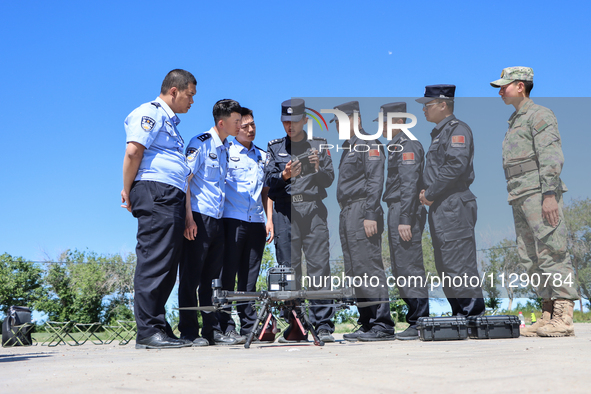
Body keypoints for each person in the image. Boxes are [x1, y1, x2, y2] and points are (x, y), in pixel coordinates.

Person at [491, 67, 578, 337]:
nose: (500, 90)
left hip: (540, 194)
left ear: (520, 86)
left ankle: (564, 317)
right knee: (530, 258)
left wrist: (550, 194)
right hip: (519, 194)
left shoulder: (539, 114)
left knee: (552, 251)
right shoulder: (515, 120)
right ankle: (548, 313)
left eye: (504, 85)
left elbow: (550, 155)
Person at [121, 69, 196, 349]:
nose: (192, 101)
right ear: (174, 91)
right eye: (190, 95)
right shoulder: (149, 112)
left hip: (169, 195)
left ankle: (158, 327)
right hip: (155, 191)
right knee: (154, 261)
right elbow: (133, 151)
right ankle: (148, 332)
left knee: (166, 264)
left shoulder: (171, 123)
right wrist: (127, 190)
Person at [265, 98, 335, 343]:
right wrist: (283, 175)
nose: (290, 126)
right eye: (286, 121)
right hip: (286, 212)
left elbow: (329, 179)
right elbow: (268, 185)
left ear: (305, 120)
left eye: (294, 121)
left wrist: (317, 170)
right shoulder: (274, 148)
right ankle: (297, 325)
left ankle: (323, 324)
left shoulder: (319, 145)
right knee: (288, 270)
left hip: (314, 211)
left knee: (319, 268)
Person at [177, 99, 242, 346]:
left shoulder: (226, 148)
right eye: (236, 122)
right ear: (221, 122)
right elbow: (185, 180)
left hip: (217, 220)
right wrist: (188, 218)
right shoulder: (201, 143)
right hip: (198, 218)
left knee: (211, 281)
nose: (239, 126)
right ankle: (189, 331)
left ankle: (211, 330)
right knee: (191, 278)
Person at [417, 85, 485, 317]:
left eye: (428, 105)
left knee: (459, 263)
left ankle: (472, 315)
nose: (424, 110)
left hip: (454, 203)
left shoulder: (457, 130)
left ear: (443, 105)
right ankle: (459, 314)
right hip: (442, 206)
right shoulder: (440, 133)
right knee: (445, 263)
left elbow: (455, 165)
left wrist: (430, 193)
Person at [333, 101, 396, 342]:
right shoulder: (350, 147)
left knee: (369, 266)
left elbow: (375, 180)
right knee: (355, 269)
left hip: (362, 210)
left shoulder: (369, 144)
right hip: (348, 211)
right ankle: (368, 322)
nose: (338, 126)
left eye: (341, 121)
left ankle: (383, 324)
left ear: (356, 121)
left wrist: (370, 213)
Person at [217, 107, 274, 343]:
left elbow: (266, 191)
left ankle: (249, 326)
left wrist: (269, 220)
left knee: (250, 278)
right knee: (227, 275)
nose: (250, 130)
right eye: (244, 125)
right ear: (235, 126)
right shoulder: (226, 151)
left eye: (253, 125)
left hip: (256, 222)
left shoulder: (263, 156)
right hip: (232, 219)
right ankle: (225, 326)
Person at [377, 102, 429, 340]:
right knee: (400, 268)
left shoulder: (408, 145)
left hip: (404, 210)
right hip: (397, 209)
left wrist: (406, 218)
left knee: (409, 267)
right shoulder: (397, 145)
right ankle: (415, 319)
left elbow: (409, 184)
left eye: (384, 121)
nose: (381, 126)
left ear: (398, 121)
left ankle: (420, 321)